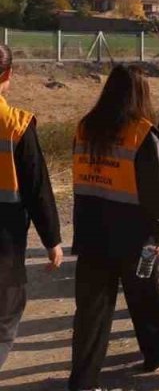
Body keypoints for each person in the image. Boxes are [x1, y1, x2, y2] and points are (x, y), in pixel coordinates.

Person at [68, 65, 159, 388]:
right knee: (145, 297)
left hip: (90, 231)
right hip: (134, 237)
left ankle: (83, 382)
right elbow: (154, 192)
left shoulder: (85, 128)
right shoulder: (143, 134)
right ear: (140, 95)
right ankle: (158, 354)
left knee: (90, 313)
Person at [0, 44, 61, 370]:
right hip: (5, 240)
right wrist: (52, 240)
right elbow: (38, 187)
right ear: (8, 74)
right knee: (6, 313)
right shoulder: (17, 125)